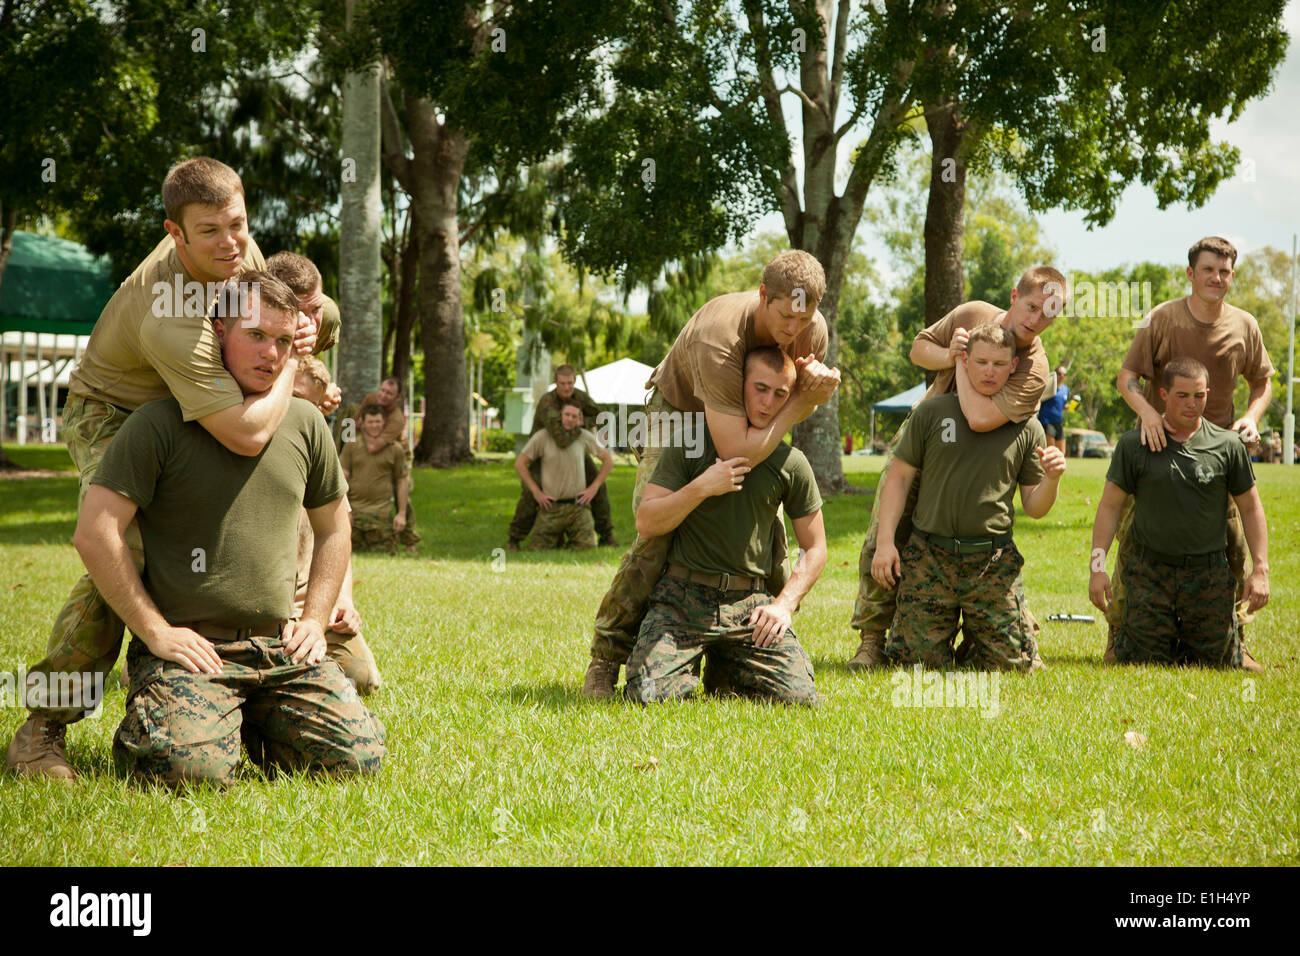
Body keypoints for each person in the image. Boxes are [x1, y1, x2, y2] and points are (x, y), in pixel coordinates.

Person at [6, 157, 331, 781]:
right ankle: (43, 726)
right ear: (174, 233)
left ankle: (260, 687)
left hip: (198, 403)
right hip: (118, 410)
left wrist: (305, 332)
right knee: (126, 550)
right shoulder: (170, 312)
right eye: (208, 231)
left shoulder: (240, 254)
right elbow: (246, 430)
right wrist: (292, 364)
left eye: (237, 224)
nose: (230, 243)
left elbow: (305, 315)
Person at [74, 273, 384, 785]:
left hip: (279, 649)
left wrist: (314, 620)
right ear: (218, 330)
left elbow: (335, 528)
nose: (271, 353)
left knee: (358, 759)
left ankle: (243, 723)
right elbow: (94, 533)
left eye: (284, 341)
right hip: (195, 653)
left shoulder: (305, 423)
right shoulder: (158, 423)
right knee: (185, 772)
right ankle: (200, 723)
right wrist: (155, 632)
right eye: (257, 335)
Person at [582, 250, 840, 698]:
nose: (794, 331)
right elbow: (735, 450)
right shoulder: (718, 335)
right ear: (763, 296)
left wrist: (806, 390)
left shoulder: (809, 328)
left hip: (757, 408)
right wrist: (801, 405)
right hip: (680, 413)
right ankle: (606, 658)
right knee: (655, 535)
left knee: (767, 533)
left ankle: (747, 644)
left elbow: (780, 395)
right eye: (785, 317)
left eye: (805, 319)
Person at [847, 266, 1065, 670]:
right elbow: (918, 349)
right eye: (1032, 306)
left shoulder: (1033, 368)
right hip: (926, 431)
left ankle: (1009, 627)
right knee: (885, 533)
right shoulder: (973, 313)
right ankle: (873, 637)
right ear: (1015, 295)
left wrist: (962, 364)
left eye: (1049, 314)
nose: (1037, 321)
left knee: (980, 529)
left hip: (985, 450)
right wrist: (950, 353)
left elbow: (980, 418)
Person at [1110, 236, 1275, 671]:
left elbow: (1263, 381)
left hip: (1218, 454)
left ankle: (1233, 638)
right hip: (1155, 448)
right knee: (1133, 544)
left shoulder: (1244, 325)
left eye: (1224, 272)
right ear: (1190, 274)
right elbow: (1127, 377)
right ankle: (1119, 634)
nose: (1217, 279)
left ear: (1231, 276)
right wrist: (1147, 413)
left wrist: (1253, 417)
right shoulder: (1160, 319)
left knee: (1232, 549)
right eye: (1208, 270)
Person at [624, 347, 824, 705]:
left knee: (799, 699)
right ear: (738, 386)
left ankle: (725, 665)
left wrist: (784, 605)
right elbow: (647, 519)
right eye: (760, 388)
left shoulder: (791, 462)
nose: (768, 402)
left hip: (750, 604)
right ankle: (697, 663)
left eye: (780, 394)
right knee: (648, 697)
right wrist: (703, 487)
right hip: (682, 600)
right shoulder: (692, 445)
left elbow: (815, 546)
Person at [1090, 357, 1269, 667]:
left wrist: (1260, 569)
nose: (1192, 404)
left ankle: (1227, 640)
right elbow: (1109, 506)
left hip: (1207, 574)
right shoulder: (1135, 445)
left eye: (1199, 396)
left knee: (1221, 662)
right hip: (1150, 574)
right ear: (1163, 394)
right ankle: (1123, 636)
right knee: (1139, 660)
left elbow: (1251, 507)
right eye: (1182, 396)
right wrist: (1097, 566)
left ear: (1208, 393)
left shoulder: (1227, 446)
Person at [293, 357, 383, 693]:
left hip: (312, 606)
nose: (306, 412)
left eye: (315, 406)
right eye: (297, 399)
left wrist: (344, 600)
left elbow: (336, 534)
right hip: (254, 612)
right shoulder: (243, 436)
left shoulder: (318, 447)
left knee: (360, 679)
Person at [507, 365, 617, 550]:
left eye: (570, 383)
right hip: (543, 452)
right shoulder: (547, 402)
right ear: (555, 382)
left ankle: (607, 534)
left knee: (597, 483)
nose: (567, 388)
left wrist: (582, 422)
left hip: (575, 449)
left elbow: (599, 416)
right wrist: (578, 423)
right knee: (530, 491)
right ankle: (514, 538)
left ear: (574, 382)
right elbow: (561, 437)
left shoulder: (580, 396)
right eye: (563, 383)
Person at [341, 404, 420, 555]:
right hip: (354, 515)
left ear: (384, 423)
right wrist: (345, 511)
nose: (374, 426)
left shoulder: (395, 449)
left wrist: (402, 513)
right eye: (370, 422)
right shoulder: (351, 446)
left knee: (384, 552)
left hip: (381, 516)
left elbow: (401, 481)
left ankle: (410, 542)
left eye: (378, 422)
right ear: (362, 423)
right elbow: (342, 478)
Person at [355, 377, 419, 537]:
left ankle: (409, 535)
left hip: (397, 451)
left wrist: (364, 428)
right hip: (373, 443)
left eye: (389, 394)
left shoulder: (396, 419)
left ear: (397, 398)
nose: (383, 396)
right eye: (382, 390)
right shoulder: (371, 398)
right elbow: (355, 421)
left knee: (402, 488)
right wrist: (347, 443)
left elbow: (374, 446)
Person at [1038, 366, 1069, 453]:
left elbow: (1062, 405)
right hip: (1047, 421)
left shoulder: (1065, 389)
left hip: (1058, 422)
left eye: (1064, 374)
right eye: (1059, 374)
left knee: (1062, 451)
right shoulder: (1048, 387)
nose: (1062, 376)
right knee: (1051, 450)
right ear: (1055, 375)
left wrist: (1069, 407)